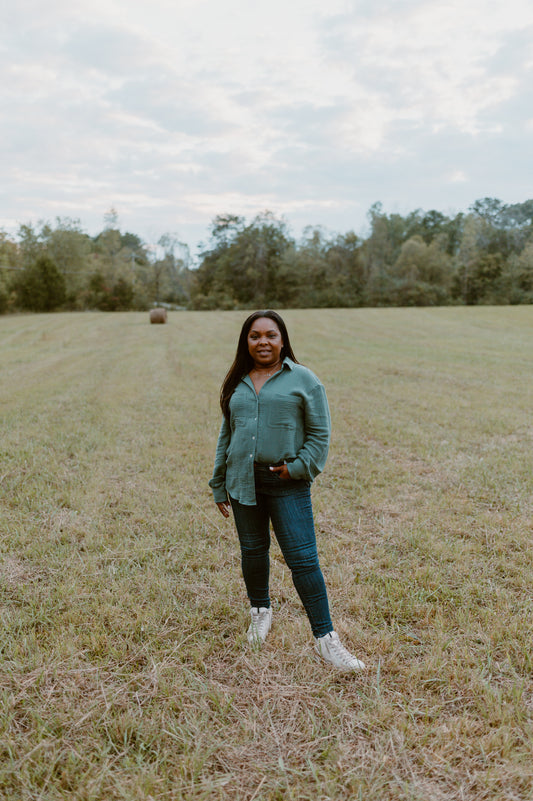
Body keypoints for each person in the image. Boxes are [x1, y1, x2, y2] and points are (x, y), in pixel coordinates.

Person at [209, 310, 365, 672]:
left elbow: (319, 436)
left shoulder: (304, 380)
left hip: (286, 483)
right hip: (241, 482)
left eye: (270, 335)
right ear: (245, 342)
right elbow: (226, 436)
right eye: (255, 336)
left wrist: (296, 469)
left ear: (283, 340)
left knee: (303, 560)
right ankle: (260, 612)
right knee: (252, 550)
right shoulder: (238, 382)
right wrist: (219, 482)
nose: (263, 342)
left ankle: (327, 641)